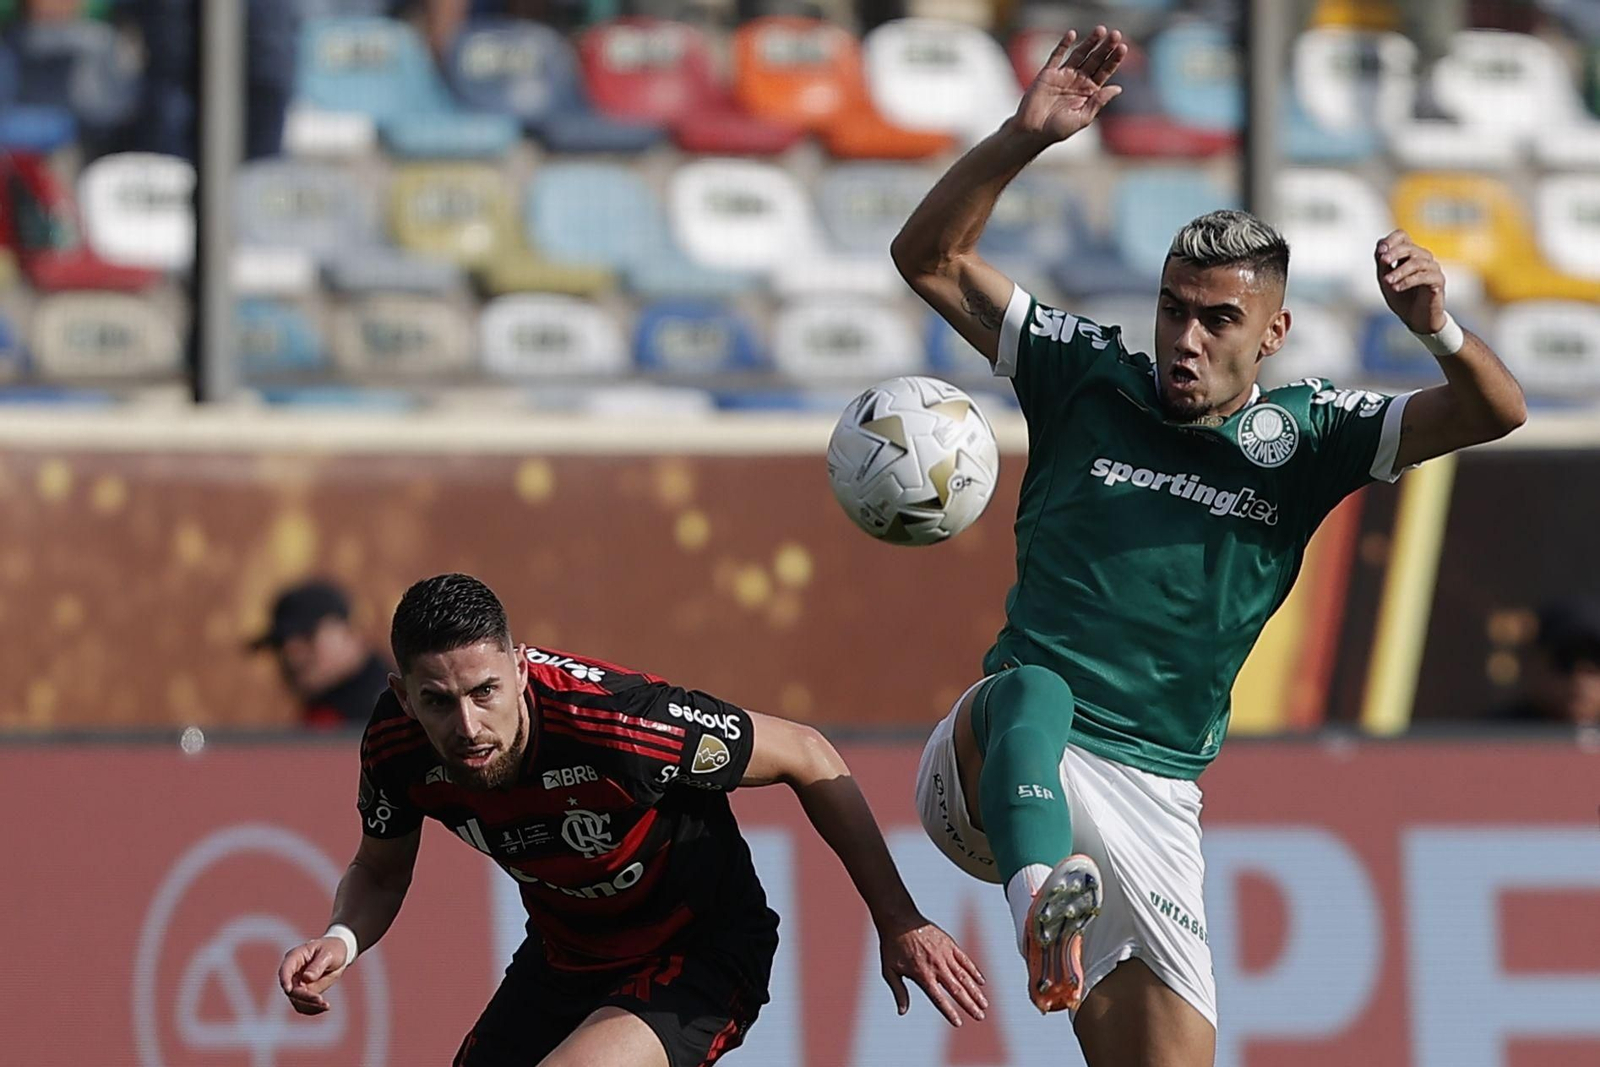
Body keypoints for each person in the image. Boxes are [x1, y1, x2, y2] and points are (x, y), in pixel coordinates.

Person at [890, 24, 1526, 1066]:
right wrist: (1022, 135)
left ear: (1269, 336)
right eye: (1172, 312)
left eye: (1218, 320)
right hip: (996, 773)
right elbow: (927, 258)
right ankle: (1036, 906)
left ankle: (1061, 926)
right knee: (1030, 687)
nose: (1185, 340)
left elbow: (1494, 410)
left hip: (1155, 794)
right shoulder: (1081, 375)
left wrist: (1435, 327)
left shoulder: (1312, 437)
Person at [277, 573, 986, 1067]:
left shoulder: (619, 724)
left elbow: (807, 752)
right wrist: (343, 938)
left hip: (700, 951)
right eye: (437, 701)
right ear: (401, 695)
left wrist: (898, 918)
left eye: (486, 691)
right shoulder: (395, 745)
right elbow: (378, 868)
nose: (467, 724)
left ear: (521, 670)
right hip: (565, 960)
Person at [251, 579, 393, 729]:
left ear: (351, 633)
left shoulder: (393, 712)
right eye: (279, 644)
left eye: (307, 636)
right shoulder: (329, 712)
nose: (291, 656)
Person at [1492, 599, 1600, 727]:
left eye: (1595, 661)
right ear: (1533, 664)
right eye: (1566, 659)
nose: (1580, 679)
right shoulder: (1495, 734)